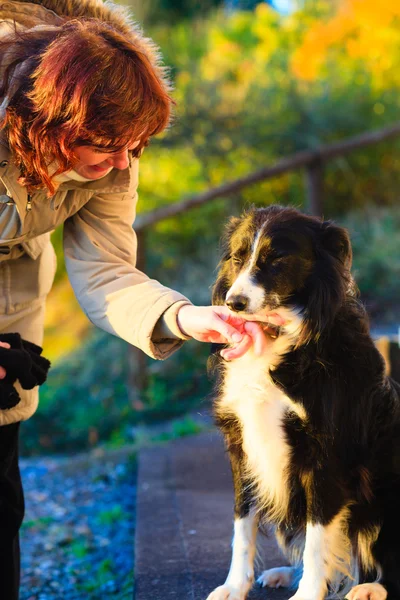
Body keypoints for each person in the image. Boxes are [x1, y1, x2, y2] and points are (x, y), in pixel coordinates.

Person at [0, 1, 276, 597]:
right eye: (108, 148)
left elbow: (105, 270)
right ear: (48, 124)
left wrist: (181, 316)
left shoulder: (116, 147)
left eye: (134, 148)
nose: (123, 164)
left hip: (9, 304)